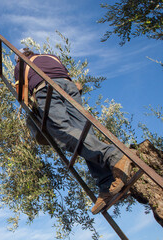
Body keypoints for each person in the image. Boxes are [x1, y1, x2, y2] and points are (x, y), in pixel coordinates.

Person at [14, 48, 132, 215]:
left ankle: (113, 156)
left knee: (63, 133)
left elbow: (22, 95)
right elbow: (71, 80)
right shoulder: (51, 57)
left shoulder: (21, 64)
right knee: (83, 134)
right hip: (69, 88)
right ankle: (107, 182)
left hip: (46, 89)